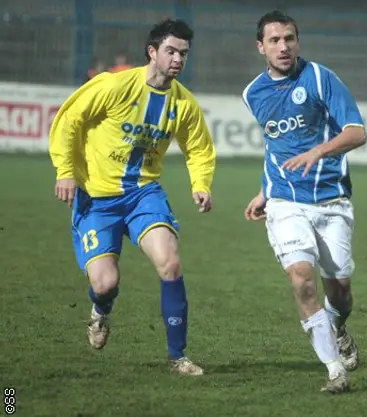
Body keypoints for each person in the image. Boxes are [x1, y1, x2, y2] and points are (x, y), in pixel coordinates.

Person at [48, 18, 216, 376]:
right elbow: (70, 120)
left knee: (170, 262)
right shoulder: (114, 86)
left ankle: (178, 356)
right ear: (152, 52)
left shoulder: (183, 104)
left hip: (144, 194)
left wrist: (200, 184)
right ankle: (100, 311)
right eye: (171, 51)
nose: (178, 59)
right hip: (97, 197)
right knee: (106, 283)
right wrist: (65, 171)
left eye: (184, 53)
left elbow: (199, 149)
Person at [242, 10, 366, 394]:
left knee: (341, 294)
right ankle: (334, 370)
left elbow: (357, 132)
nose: (284, 46)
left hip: (332, 200)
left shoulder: (320, 79)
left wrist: (319, 152)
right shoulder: (253, 94)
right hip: (286, 202)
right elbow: (274, 148)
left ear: (298, 41)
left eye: (290, 39)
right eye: (275, 40)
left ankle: (338, 326)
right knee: (300, 276)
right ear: (260, 47)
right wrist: (265, 191)